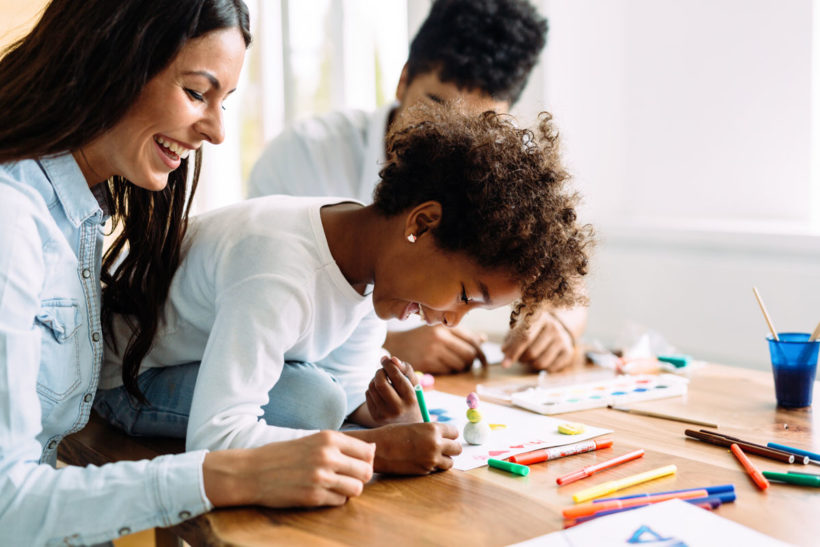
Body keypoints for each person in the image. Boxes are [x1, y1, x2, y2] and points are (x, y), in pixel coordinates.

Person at [0, 2, 378, 545]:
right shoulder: (13, 218)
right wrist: (232, 474)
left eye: (225, 101)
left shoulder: (79, 213)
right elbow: (8, 504)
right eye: (198, 93)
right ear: (113, 58)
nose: (218, 131)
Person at [96, 106, 593, 472]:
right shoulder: (280, 269)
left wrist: (374, 413)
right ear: (422, 223)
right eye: (466, 295)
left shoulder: (370, 256)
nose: (450, 318)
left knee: (327, 399)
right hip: (127, 379)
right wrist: (377, 451)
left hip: (199, 361)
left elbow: (347, 387)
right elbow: (217, 436)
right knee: (311, 404)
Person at [247, 0, 587, 374]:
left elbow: (565, 273)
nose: (451, 134)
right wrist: (387, 344)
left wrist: (561, 325)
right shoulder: (304, 156)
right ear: (404, 78)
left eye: (479, 123)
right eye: (436, 105)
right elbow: (258, 299)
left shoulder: (499, 175)